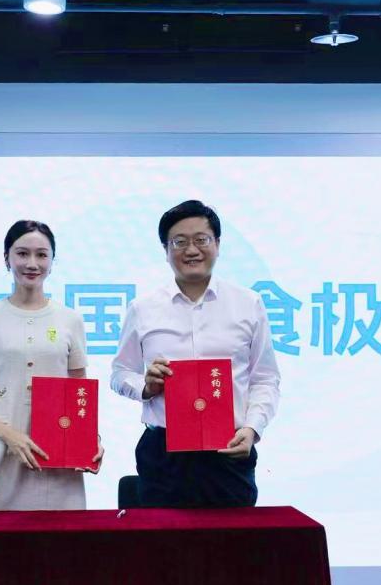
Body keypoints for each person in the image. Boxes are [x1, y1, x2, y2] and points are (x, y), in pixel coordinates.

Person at [110, 200, 280, 507]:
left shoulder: (248, 303)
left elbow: (265, 379)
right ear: (166, 250)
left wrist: (252, 428)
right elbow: (120, 374)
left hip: (228, 449)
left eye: (201, 239)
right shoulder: (143, 308)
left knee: (232, 537)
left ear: (217, 244)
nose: (192, 250)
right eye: (180, 242)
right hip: (163, 454)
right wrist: (146, 387)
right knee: (161, 537)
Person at [0, 220, 102, 511]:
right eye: (22, 254)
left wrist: (90, 440)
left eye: (41, 255)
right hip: (1, 450)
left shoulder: (70, 319)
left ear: (52, 261)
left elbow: (79, 393)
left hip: (57, 454)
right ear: (6, 258)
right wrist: (8, 435)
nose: (32, 263)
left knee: (60, 535)